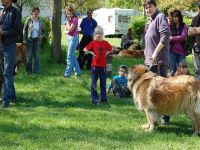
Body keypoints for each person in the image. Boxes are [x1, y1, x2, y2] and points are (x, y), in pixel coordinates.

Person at [143, 0, 170, 124]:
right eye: (146, 7)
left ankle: (165, 116)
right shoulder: (150, 20)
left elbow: (165, 37)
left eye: (150, 7)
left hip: (159, 61)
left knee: (162, 90)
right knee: (152, 91)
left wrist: (155, 53)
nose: (148, 9)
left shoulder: (160, 17)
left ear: (155, 6)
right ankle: (155, 118)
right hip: (149, 61)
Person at [0, 0, 22, 108]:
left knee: (7, 73)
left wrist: (4, 33)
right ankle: (12, 96)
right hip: (1, 46)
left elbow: (18, 30)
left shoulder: (15, 12)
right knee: (5, 72)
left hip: (10, 45)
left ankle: (6, 100)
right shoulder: (2, 12)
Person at [84, 26, 112, 105]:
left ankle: (103, 99)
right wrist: (92, 53)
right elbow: (85, 49)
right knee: (94, 83)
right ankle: (95, 99)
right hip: (95, 66)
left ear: (102, 34)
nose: (98, 35)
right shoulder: (93, 43)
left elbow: (111, 49)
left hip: (103, 66)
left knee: (103, 83)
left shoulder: (105, 43)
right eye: (96, 33)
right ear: (94, 34)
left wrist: (106, 53)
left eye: (100, 33)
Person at [23, 7, 44, 75]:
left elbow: (44, 31)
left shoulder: (40, 20)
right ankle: (29, 71)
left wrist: (42, 35)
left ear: (39, 13)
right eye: (35, 11)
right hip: (30, 40)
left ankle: (36, 72)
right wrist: (24, 39)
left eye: (37, 11)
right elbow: (24, 30)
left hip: (37, 40)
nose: (36, 13)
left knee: (36, 56)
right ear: (33, 12)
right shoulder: (29, 19)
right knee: (29, 56)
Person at [64, 5, 81, 78]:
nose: (67, 14)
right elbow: (65, 29)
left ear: (72, 11)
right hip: (69, 38)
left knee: (69, 56)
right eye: (66, 12)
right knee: (73, 56)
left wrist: (68, 21)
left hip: (73, 39)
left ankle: (67, 74)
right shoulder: (70, 19)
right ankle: (78, 72)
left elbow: (70, 30)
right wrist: (67, 30)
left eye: (68, 12)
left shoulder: (74, 19)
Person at [169, 10, 187, 76]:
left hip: (181, 51)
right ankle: (171, 84)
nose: (174, 18)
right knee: (172, 70)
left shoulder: (183, 25)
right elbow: (169, 37)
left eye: (176, 17)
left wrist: (173, 38)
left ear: (179, 17)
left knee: (182, 70)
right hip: (172, 51)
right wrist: (179, 38)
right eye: (173, 17)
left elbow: (183, 36)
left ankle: (182, 85)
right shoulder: (170, 26)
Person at [188, 1, 200, 80]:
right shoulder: (196, 18)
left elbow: (193, 30)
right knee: (197, 70)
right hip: (196, 46)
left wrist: (195, 30)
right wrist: (197, 30)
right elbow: (189, 32)